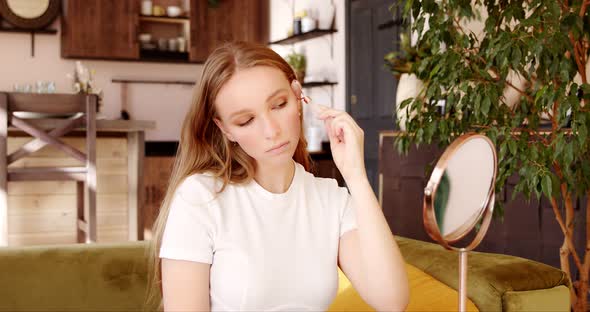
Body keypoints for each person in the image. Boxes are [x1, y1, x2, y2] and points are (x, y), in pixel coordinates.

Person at [147, 41, 408, 311]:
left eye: (279, 104)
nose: (271, 130)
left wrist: (356, 176)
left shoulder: (331, 199)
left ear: (297, 96)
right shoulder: (200, 198)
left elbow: (391, 301)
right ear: (225, 129)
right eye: (246, 120)